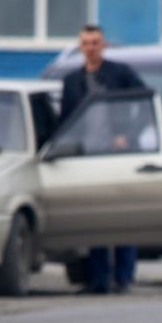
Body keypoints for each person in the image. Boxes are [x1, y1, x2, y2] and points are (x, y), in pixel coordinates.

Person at [60, 24, 146, 294]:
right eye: (86, 43)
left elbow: (144, 104)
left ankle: (124, 278)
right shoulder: (72, 81)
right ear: (80, 46)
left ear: (104, 45)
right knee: (95, 220)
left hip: (119, 156)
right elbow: (66, 121)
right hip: (87, 157)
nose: (91, 47)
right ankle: (97, 280)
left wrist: (127, 135)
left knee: (124, 218)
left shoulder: (120, 73)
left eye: (96, 42)